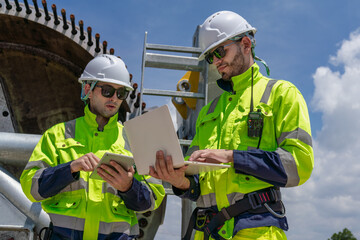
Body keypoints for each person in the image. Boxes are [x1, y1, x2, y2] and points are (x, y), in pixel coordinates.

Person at [149, 11, 314, 240]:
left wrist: (231, 156)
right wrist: (179, 181)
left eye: (219, 52)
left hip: (254, 232)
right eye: (210, 57)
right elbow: (196, 184)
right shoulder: (209, 111)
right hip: (206, 232)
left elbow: (299, 165)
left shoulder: (281, 94)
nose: (216, 62)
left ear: (246, 44)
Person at [20, 54, 165, 240]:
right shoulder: (57, 134)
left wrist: (128, 187)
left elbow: (152, 199)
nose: (114, 98)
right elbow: (31, 188)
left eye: (121, 93)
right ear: (88, 89)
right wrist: (70, 168)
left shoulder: (136, 139)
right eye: (107, 90)